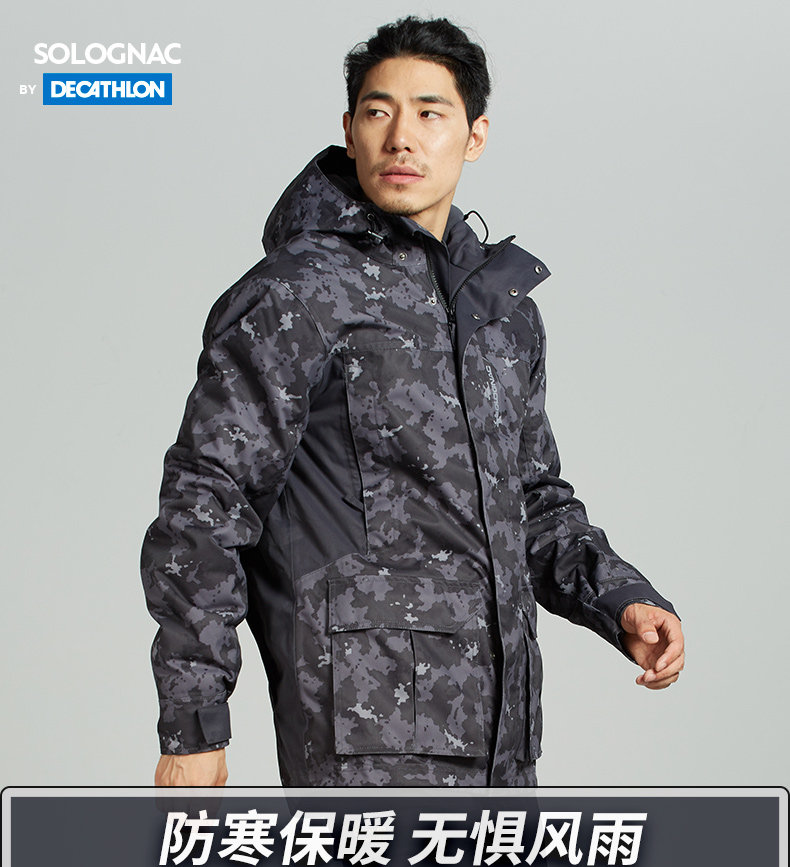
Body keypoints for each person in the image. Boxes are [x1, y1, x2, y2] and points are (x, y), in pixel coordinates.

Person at [143, 15, 684, 790]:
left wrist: (621, 599)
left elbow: (532, 502)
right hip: (365, 732)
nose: (401, 137)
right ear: (349, 130)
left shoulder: (502, 314)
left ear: (474, 135)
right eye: (378, 111)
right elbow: (207, 499)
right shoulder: (299, 294)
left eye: (430, 113)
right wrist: (194, 722)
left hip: (499, 739)